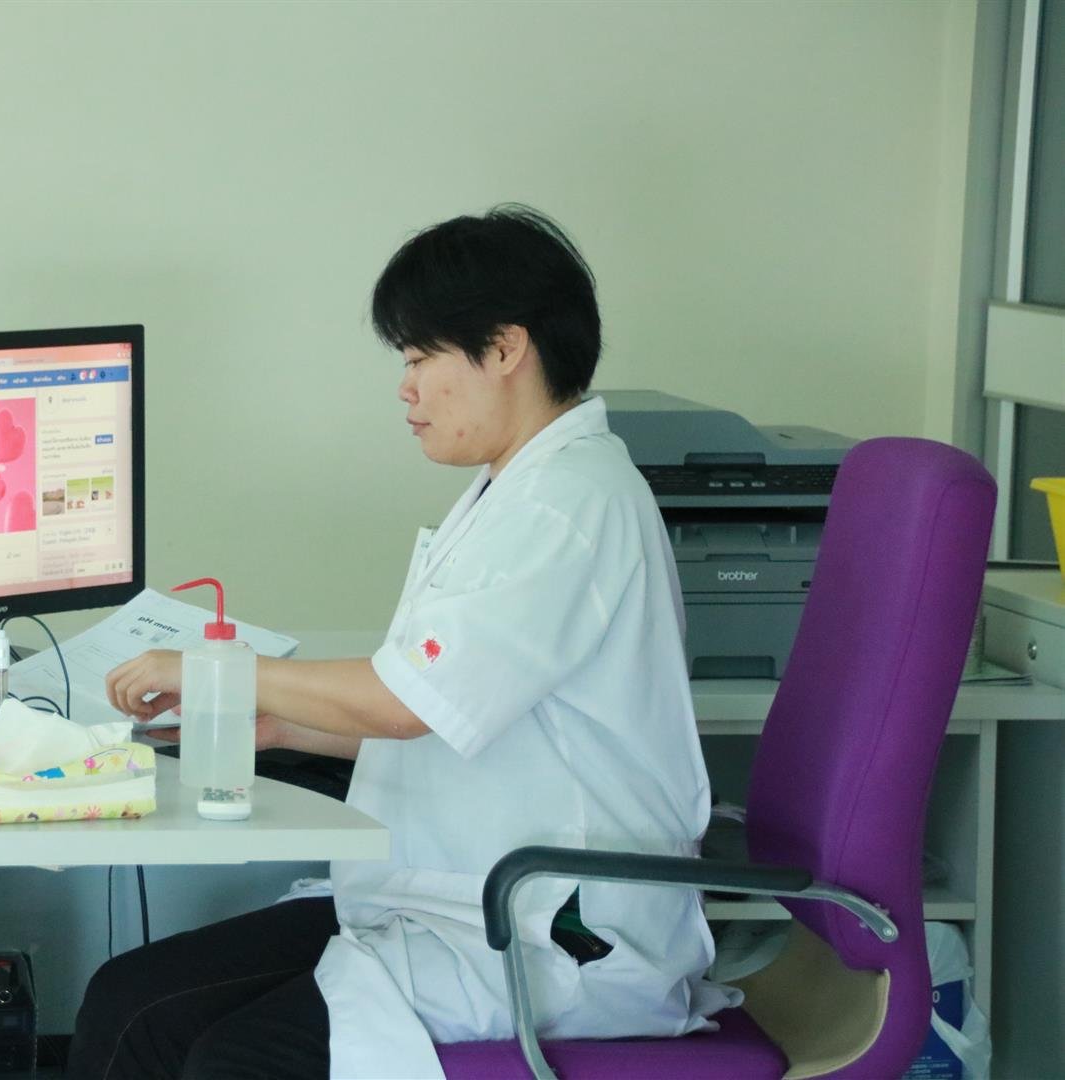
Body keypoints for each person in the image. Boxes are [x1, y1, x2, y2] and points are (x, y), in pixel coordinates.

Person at [68, 204, 734, 1079]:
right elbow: (466, 717)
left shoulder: (565, 505)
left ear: (505, 348)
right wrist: (285, 727)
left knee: (237, 1060)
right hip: (462, 901)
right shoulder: (515, 490)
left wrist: (217, 670)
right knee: (133, 1002)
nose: (406, 388)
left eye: (421, 357)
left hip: (549, 934)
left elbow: (404, 703)